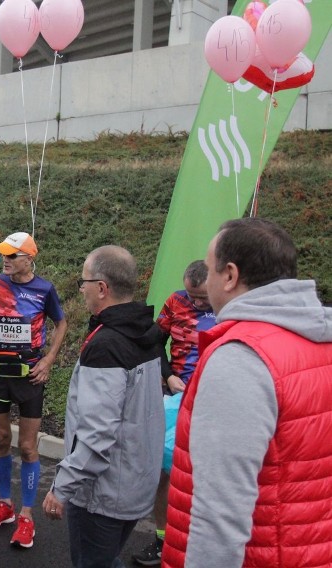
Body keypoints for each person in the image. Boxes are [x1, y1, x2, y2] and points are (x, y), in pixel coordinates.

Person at [162, 218, 332, 568]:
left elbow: (221, 510)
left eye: (209, 271)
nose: (206, 282)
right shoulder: (320, 340)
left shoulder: (240, 358)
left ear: (230, 275)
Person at [42, 245, 165, 568]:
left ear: (102, 288)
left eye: (84, 281)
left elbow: (97, 435)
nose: (80, 289)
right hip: (135, 482)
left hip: (102, 494)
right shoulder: (147, 332)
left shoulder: (106, 345)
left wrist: (62, 487)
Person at [0, 232, 68, 549]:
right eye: (4, 254)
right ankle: (5, 505)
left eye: (13, 255)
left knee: (28, 447)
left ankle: (27, 515)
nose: (6, 260)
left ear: (30, 257)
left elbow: (62, 323)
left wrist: (50, 360)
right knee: (1, 438)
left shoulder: (44, 289)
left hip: (29, 376)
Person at [131, 259, 215, 567]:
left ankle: (202, 542)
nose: (198, 302)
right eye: (193, 295)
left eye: (204, 296)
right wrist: (167, 376)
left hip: (215, 402)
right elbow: (154, 344)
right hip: (176, 396)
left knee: (207, 474)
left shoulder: (233, 307)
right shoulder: (176, 302)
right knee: (164, 469)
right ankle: (163, 538)